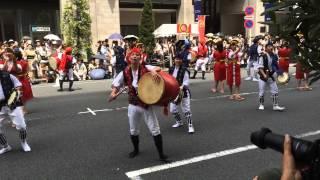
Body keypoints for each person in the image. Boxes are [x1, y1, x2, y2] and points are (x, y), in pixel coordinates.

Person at [109, 47, 168, 162]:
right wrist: (113, 93)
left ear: (140, 58)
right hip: (133, 104)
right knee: (133, 130)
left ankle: (161, 154)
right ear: (129, 58)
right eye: (133, 55)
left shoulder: (146, 68)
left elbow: (158, 68)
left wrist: (154, 71)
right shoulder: (124, 71)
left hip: (146, 104)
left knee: (155, 129)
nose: (135, 57)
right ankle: (136, 150)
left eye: (137, 55)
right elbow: (116, 84)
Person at [0, 68, 31, 154]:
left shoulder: (8, 75)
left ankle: (24, 143)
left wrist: (17, 92)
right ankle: (6, 146)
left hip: (12, 104)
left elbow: (18, 85)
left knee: (22, 126)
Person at [168, 54, 194, 134]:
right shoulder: (171, 69)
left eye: (179, 59)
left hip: (183, 92)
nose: (178, 60)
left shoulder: (184, 69)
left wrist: (182, 86)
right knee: (172, 109)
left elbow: (186, 81)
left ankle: (190, 126)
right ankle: (179, 122)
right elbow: (169, 79)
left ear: (181, 60)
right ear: (174, 60)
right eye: (176, 59)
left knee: (186, 110)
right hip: (174, 92)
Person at [257, 42, 285, 111]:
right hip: (263, 77)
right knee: (262, 91)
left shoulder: (274, 56)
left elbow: (276, 65)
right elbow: (260, 68)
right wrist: (264, 75)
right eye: (269, 46)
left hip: (271, 76)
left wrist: (281, 73)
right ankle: (261, 104)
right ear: (266, 48)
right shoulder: (263, 56)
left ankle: (275, 106)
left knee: (275, 90)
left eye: (271, 46)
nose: (270, 47)